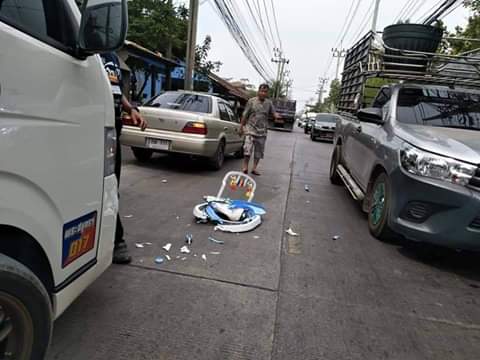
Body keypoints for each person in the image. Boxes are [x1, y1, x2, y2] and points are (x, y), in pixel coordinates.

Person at [101, 52, 147, 264]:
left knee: (111, 187)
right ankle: (116, 239)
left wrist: (131, 109)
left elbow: (116, 90)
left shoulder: (110, 56)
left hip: (111, 131)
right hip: (92, 126)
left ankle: (113, 239)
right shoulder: (88, 47)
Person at [240, 84, 280, 175]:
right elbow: (245, 115)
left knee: (258, 152)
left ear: (267, 93)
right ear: (258, 91)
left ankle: (254, 168)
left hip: (262, 132)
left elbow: (273, 112)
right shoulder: (251, 101)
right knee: (247, 149)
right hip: (250, 129)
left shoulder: (269, 103)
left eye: (265, 92)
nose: (263, 93)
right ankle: (245, 166)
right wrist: (241, 127)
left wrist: (276, 116)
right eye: (261, 91)